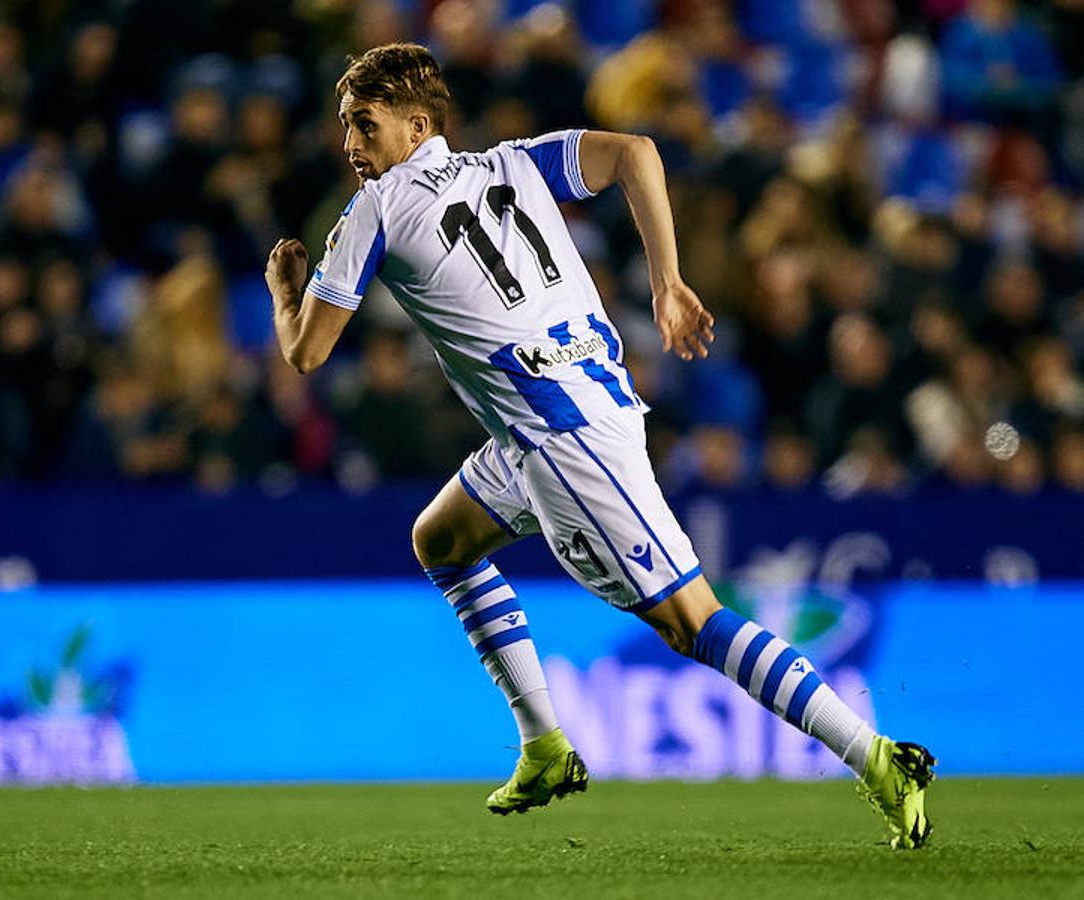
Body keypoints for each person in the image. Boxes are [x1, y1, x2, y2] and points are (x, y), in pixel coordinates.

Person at [265, 43, 934, 849]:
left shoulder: (373, 210)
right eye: (345, 128)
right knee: (440, 538)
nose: (350, 147)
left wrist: (281, 293)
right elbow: (635, 153)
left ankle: (876, 756)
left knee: (693, 622)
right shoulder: (513, 164)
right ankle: (544, 743)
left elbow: (306, 353)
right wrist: (666, 281)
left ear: (416, 126)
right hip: (573, 406)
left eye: (364, 126)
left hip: (561, 437)